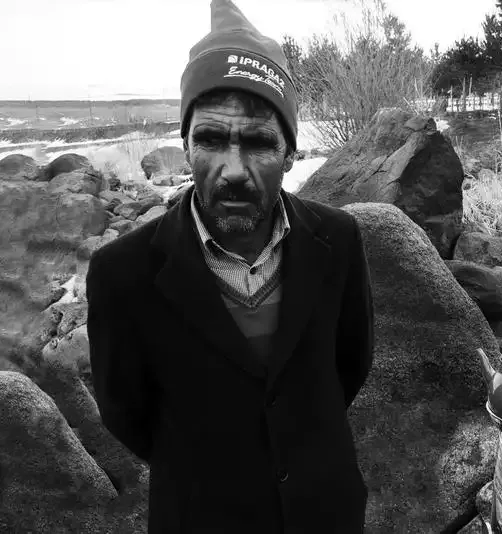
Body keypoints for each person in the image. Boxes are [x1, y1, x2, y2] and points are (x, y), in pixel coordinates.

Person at [86, 0, 375, 532]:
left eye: (259, 142)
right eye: (211, 140)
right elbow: (126, 413)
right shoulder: (121, 273)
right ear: (185, 145)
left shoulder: (338, 240)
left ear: (290, 152)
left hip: (325, 513)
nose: (233, 170)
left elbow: (348, 366)